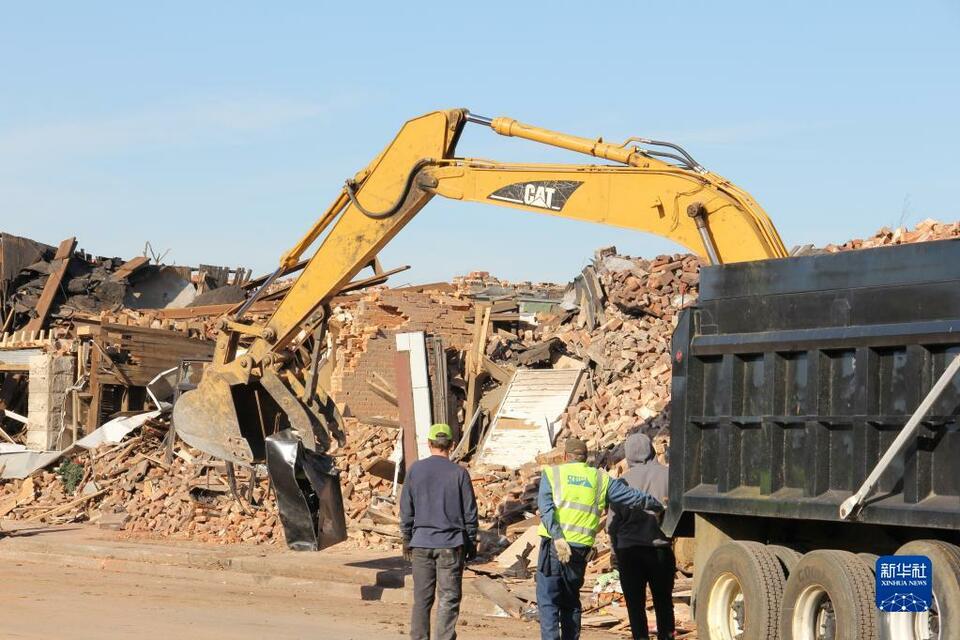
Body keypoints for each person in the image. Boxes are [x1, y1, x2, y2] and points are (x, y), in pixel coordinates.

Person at [537, 437, 663, 640]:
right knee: (570, 600)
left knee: (548, 599)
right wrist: (655, 504)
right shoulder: (600, 479)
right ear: (586, 458)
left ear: (566, 456)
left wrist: (558, 536)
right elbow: (630, 496)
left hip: (554, 546)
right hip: (580, 549)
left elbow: (546, 508)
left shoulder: (552, 474)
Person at [400, 423, 479, 640]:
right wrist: (471, 542)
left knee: (422, 599)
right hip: (450, 545)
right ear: (452, 445)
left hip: (421, 543)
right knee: (448, 599)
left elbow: (406, 508)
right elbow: (470, 512)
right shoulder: (459, 473)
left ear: (429, 444)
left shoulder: (415, 470)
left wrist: (406, 537)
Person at [608, 432, 674, 640]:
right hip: (661, 550)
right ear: (651, 450)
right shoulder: (669, 476)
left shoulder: (622, 482)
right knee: (664, 602)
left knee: (635, 606)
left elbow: (612, 524)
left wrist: (614, 553)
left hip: (629, 552)